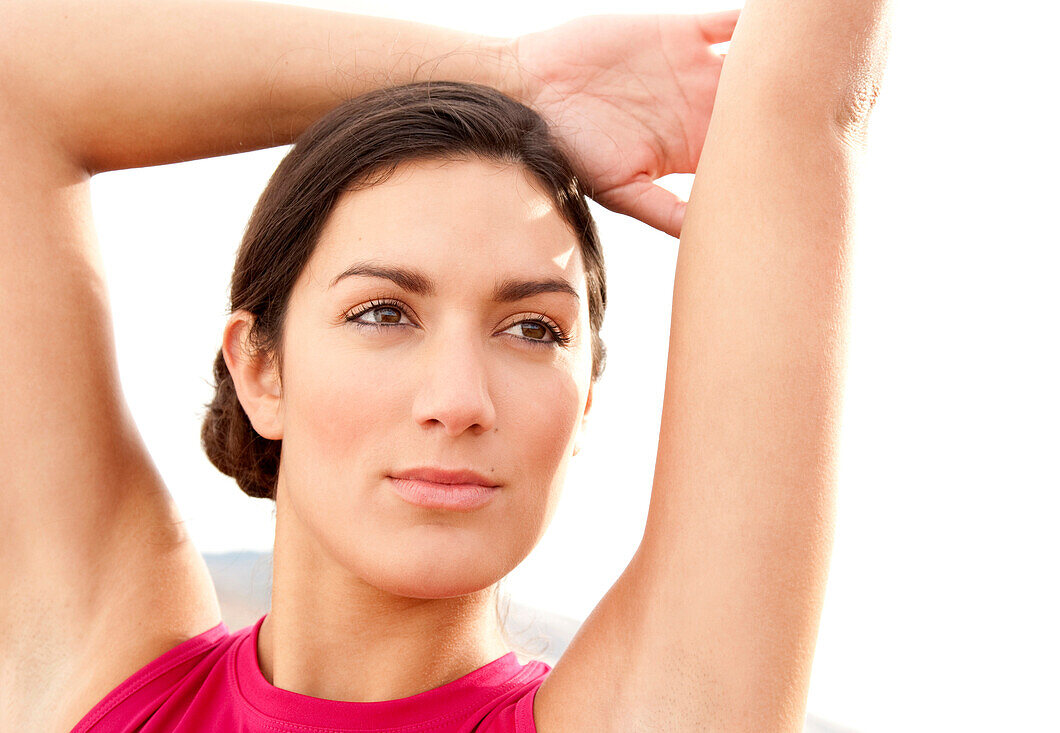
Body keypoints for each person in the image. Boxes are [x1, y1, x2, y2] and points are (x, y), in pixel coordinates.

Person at [0, 0, 891, 731]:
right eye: (382, 312)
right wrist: (514, 75)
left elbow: (803, 98)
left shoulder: (663, 710)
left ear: (585, 403)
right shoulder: (113, 690)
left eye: (534, 329)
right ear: (261, 368)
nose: (460, 400)